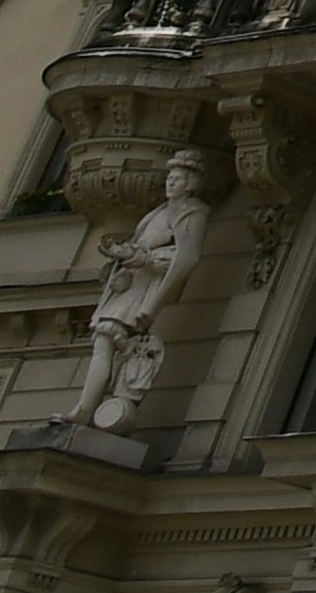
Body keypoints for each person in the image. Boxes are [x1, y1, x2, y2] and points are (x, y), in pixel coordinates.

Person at [80, 152, 214, 432]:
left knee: (109, 341)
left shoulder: (193, 211)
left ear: (190, 184)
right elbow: (142, 245)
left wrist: (148, 269)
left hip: (145, 289)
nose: (170, 183)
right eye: (169, 178)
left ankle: (91, 408)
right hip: (130, 284)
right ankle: (92, 407)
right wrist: (122, 255)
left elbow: (186, 257)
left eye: (176, 179)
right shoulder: (158, 213)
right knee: (107, 343)